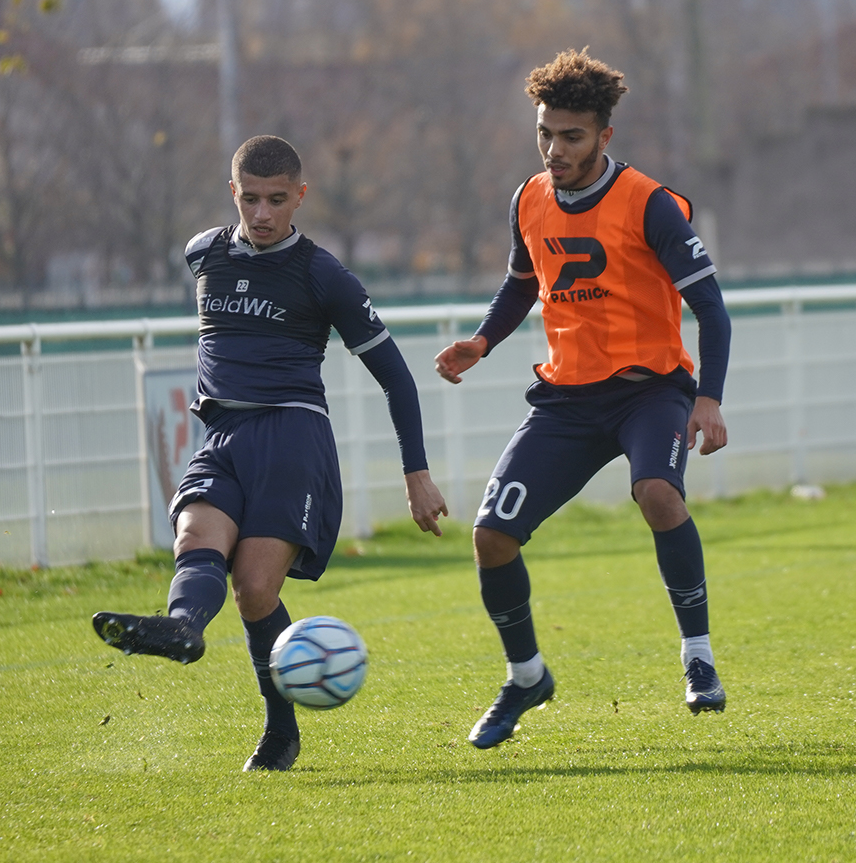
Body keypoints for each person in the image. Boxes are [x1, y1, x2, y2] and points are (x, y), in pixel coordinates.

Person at [93, 135, 448, 771]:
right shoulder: (204, 254)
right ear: (233, 192)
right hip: (223, 437)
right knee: (194, 537)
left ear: (300, 197)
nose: (262, 213)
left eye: (277, 200)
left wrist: (415, 473)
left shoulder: (323, 275)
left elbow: (396, 376)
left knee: (255, 589)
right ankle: (182, 629)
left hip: (291, 438)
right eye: (250, 198)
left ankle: (280, 731)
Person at [435, 49, 732, 749]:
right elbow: (522, 282)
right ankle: (527, 674)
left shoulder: (651, 204)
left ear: (604, 136)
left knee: (658, 493)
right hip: (565, 401)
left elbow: (713, 312)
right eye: (545, 133)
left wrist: (708, 400)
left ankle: (699, 658)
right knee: (490, 537)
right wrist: (481, 342)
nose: (553, 148)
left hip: (648, 392)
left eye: (570, 136)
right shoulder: (528, 199)